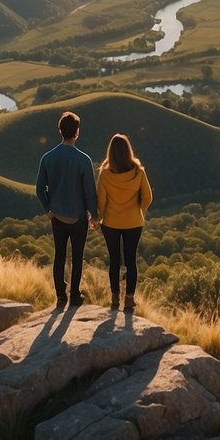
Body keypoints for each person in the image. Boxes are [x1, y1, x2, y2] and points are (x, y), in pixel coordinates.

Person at [36, 111, 97, 309]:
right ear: (77, 132)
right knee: (77, 257)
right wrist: (93, 215)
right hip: (78, 217)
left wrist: (48, 210)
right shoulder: (84, 160)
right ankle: (74, 296)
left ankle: (60, 296)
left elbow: (39, 189)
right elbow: (89, 191)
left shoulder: (48, 157)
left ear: (60, 131)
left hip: (57, 216)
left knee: (59, 255)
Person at [96, 133, 153, 312]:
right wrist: (139, 211)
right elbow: (148, 198)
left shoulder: (105, 174)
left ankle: (114, 298)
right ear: (128, 150)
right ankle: (129, 299)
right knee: (131, 260)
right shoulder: (139, 172)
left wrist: (100, 218)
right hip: (134, 223)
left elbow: (101, 202)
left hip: (111, 223)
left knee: (114, 260)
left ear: (110, 152)